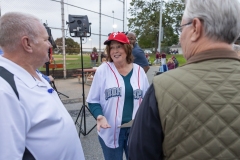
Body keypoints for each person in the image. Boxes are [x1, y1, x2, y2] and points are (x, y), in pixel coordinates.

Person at [128, 0, 240, 159]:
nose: (181, 37)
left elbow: (139, 154)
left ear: (195, 27)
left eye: (182, 28)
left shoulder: (162, 88)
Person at [0, 12, 85, 160]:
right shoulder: (4, 91)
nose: (50, 44)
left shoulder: (32, 73)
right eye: (46, 39)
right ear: (27, 43)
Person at [86, 32, 149, 160]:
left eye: (119, 46)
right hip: (110, 130)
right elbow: (93, 100)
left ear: (127, 48)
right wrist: (99, 116)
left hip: (135, 130)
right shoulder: (103, 70)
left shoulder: (139, 71)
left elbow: (147, 102)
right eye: (112, 48)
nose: (115, 51)